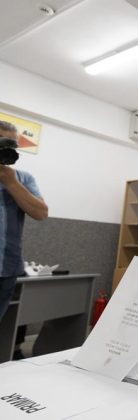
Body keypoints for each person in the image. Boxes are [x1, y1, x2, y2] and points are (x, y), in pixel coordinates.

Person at [0, 121, 48, 359]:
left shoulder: (22, 178)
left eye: (11, 145)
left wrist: (11, 183)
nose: (6, 149)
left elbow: (41, 212)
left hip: (6, 269)